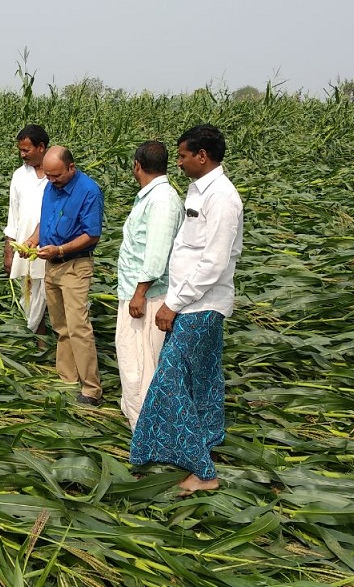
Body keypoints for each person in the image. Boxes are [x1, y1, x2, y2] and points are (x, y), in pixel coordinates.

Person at [129, 124, 243, 495]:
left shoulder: (222, 198)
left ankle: (203, 471)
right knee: (203, 379)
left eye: (181, 156)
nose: (177, 163)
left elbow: (213, 262)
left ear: (202, 156)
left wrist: (173, 304)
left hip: (200, 304)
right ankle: (206, 441)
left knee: (170, 379)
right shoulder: (200, 191)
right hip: (194, 303)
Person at [24, 146, 104, 405]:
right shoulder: (51, 187)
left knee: (78, 327)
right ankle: (67, 377)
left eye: (56, 175)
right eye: (48, 176)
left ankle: (91, 389)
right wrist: (33, 240)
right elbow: (44, 220)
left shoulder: (89, 191)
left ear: (71, 167)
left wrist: (60, 249)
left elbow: (92, 234)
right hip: (52, 265)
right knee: (61, 326)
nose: (51, 180)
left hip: (74, 265)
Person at [115, 141, 183, 430]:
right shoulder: (154, 196)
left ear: (137, 165)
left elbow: (156, 254)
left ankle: (145, 430)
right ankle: (140, 422)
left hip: (147, 296)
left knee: (139, 365)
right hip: (139, 292)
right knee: (134, 362)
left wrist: (139, 294)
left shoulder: (162, 201)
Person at [3, 124, 49, 337]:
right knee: (29, 292)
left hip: (50, 246)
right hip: (24, 246)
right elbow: (13, 214)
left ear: (41, 147)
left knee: (49, 294)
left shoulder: (55, 173)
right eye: (20, 150)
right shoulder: (19, 176)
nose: (22, 155)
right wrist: (8, 249)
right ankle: (37, 341)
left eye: (26, 150)